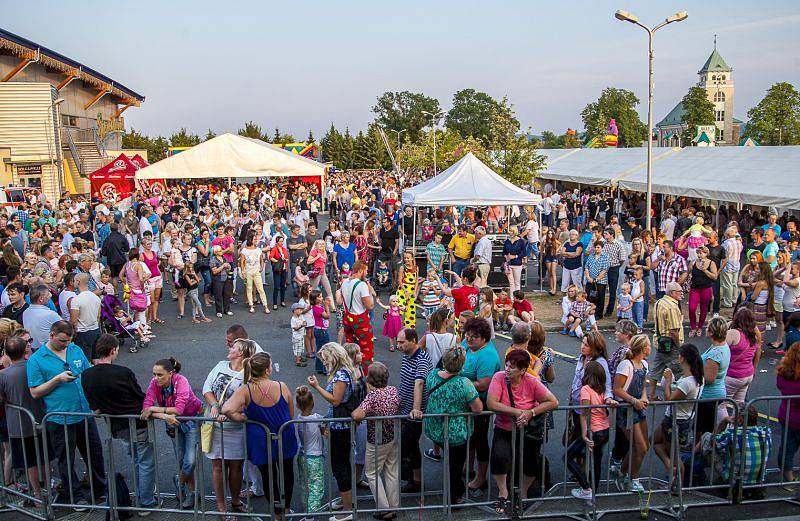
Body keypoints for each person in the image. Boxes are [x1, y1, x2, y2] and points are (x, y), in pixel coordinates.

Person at [27, 321, 106, 507]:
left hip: (84, 413)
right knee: (66, 460)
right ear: (52, 335)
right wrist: (57, 379)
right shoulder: (36, 359)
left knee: (94, 454)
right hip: (60, 418)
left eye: (69, 340)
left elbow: (87, 374)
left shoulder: (75, 349)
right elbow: (35, 392)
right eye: (62, 341)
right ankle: (75, 495)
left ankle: (100, 489)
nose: (66, 344)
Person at [80, 334, 156, 511]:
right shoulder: (123, 372)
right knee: (144, 461)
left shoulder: (86, 375)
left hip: (116, 425)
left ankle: (142, 497)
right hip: (137, 422)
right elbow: (138, 395)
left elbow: (95, 407)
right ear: (113, 350)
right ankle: (145, 502)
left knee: (135, 457)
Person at [222, 352, 297, 520]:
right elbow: (291, 414)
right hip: (284, 436)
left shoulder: (245, 390)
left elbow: (226, 409)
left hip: (261, 440)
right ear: (268, 370)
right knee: (287, 473)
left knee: (268, 476)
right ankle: (286, 510)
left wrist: (241, 417)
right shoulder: (282, 386)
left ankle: (276, 514)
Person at [487, 349, 558, 514]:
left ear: (523, 370)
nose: (507, 369)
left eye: (512, 367)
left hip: (528, 431)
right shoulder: (499, 377)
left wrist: (531, 413)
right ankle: (503, 492)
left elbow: (553, 401)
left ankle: (523, 493)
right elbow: (491, 403)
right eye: (507, 365)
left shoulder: (532, 381)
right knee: (499, 456)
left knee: (530, 462)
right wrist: (518, 412)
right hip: (504, 427)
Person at [306, 342, 364, 521]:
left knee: (339, 466)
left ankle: (347, 509)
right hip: (343, 424)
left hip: (340, 426)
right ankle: (347, 501)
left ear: (333, 357)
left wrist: (317, 387)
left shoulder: (341, 374)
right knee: (343, 464)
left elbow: (336, 400)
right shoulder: (351, 370)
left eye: (325, 359)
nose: (324, 363)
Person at [202, 338, 257, 517]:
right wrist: (216, 406)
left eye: (233, 346)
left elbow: (250, 399)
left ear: (241, 353)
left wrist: (230, 412)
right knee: (217, 466)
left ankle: (235, 500)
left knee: (236, 467)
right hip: (215, 425)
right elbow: (207, 388)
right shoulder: (220, 365)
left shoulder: (249, 374)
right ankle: (221, 506)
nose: (229, 347)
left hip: (235, 427)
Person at [141, 357, 203, 510]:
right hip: (173, 424)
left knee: (190, 460)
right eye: (154, 374)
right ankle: (192, 493)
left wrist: (156, 410)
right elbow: (145, 409)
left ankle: (179, 481)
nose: (156, 378)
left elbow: (178, 410)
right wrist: (164, 416)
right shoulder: (154, 383)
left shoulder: (181, 381)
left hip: (191, 420)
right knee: (182, 460)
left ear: (170, 373)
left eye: (160, 375)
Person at [424, 345, 482, 502]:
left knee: (451, 462)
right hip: (456, 433)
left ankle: (454, 492)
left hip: (435, 428)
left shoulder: (432, 375)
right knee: (456, 467)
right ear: (462, 365)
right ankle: (455, 496)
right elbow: (478, 408)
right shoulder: (464, 383)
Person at [0, 335, 47, 502]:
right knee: (42, 457)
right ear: (25, 349)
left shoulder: (3, 375)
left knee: (31, 462)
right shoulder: (34, 367)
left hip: (19, 425)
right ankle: (44, 488)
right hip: (40, 419)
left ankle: (37, 494)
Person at [351, 361, 400, 519]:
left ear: (370, 379)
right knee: (391, 471)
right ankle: (393, 506)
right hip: (392, 435)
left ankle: (384, 508)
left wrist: (354, 413)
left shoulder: (372, 396)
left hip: (377, 439)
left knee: (371, 472)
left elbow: (358, 414)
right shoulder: (393, 390)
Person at [460, 317, 501, 496]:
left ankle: (481, 476)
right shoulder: (468, 345)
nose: (469, 339)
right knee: (468, 435)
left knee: (479, 438)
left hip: (481, 402)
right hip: (466, 400)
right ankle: (467, 466)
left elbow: (484, 384)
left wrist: (459, 382)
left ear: (484, 338)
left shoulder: (488, 355)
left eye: (474, 337)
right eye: (467, 335)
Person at [653, 343, 703, 489]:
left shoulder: (688, 382)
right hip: (676, 418)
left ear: (682, 358)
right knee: (654, 440)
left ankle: (677, 485)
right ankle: (671, 468)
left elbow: (670, 398)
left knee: (674, 454)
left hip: (677, 421)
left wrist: (668, 380)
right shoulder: (692, 378)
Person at [613, 335, 651, 493]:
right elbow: (617, 389)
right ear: (643, 348)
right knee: (640, 446)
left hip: (637, 407)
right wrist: (633, 400)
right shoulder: (625, 365)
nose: (651, 348)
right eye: (649, 345)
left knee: (643, 446)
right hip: (626, 409)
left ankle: (622, 473)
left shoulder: (644, 364)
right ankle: (633, 478)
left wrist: (643, 397)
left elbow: (642, 386)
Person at [567, 360, 610, 501]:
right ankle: (593, 495)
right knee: (596, 462)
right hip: (605, 430)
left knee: (567, 457)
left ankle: (585, 488)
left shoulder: (585, 389)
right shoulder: (602, 389)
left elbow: (584, 413)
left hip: (594, 430)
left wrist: (584, 434)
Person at [397, 328, 432, 493]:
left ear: (413, 341)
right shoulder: (406, 356)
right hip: (405, 408)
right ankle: (414, 479)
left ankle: (414, 480)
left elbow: (419, 383)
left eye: (402, 342)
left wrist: (416, 410)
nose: (399, 346)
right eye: (398, 342)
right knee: (411, 445)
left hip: (414, 412)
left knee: (408, 443)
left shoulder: (422, 360)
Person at [648, 282, 685, 397]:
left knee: (657, 368)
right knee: (680, 370)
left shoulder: (659, 302)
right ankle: (677, 396)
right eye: (679, 292)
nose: (681, 294)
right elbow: (674, 331)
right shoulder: (672, 307)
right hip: (671, 344)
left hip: (661, 341)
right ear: (672, 292)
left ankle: (652, 394)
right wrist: (680, 346)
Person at [696, 317, 732, 436]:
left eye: (708, 327)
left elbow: (710, 379)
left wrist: (692, 376)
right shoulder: (722, 346)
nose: (706, 328)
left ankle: (699, 451)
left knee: (703, 429)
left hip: (709, 396)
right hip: (716, 391)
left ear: (712, 332)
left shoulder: (715, 353)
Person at [294, 385, 325, 517]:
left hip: (302, 455)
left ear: (297, 405)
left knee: (305, 484)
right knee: (317, 487)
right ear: (313, 402)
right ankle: (311, 514)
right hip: (315, 457)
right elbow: (325, 432)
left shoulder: (298, 419)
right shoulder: (318, 418)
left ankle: (306, 507)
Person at [338, 260, 375, 370]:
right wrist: (370, 291)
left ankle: (350, 370)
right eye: (366, 271)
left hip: (347, 317)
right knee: (366, 348)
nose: (367, 273)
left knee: (351, 347)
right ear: (360, 271)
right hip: (360, 319)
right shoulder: (362, 285)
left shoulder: (344, 283)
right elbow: (370, 306)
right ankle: (366, 374)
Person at [725, 308, 762, 409]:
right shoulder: (753, 336)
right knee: (739, 405)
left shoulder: (733, 333)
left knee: (723, 405)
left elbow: (719, 347)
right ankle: (737, 423)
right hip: (747, 374)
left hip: (733, 375)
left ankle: (723, 424)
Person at [776, 341, 800, 483]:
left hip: (787, 416)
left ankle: (788, 478)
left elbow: (780, 386)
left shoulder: (783, 373)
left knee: (787, 449)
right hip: (792, 417)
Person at [687, 246, 718, 337]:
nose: (700, 255)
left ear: (706, 253)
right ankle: (693, 327)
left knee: (704, 309)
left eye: (702, 253)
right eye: (699, 253)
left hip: (706, 288)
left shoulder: (711, 263)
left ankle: (700, 327)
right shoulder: (694, 262)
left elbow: (715, 277)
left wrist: (704, 270)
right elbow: (688, 272)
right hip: (695, 288)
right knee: (692, 308)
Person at [22, 284, 60, 349]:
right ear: (41, 299)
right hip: (47, 352)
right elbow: (65, 329)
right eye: (48, 294)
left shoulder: (25, 312)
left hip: (32, 349)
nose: (50, 296)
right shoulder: (50, 314)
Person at [240, 232, 270, 315]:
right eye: (255, 239)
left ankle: (265, 306)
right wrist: (243, 271)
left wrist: (262, 267)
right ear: (250, 240)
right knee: (249, 288)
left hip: (256, 272)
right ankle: (251, 305)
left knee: (261, 289)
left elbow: (261, 259)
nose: (256, 240)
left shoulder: (258, 249)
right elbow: (242, 261)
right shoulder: (244, 250)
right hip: (248, 272)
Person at [584, 241, 609, 319]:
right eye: (595, 247)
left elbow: (604, 270)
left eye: (598, 247)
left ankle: (598, 314)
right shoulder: (591, 256)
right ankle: (588, 312)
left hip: (601, 281)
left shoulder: (605, 256)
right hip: (590, 280)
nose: (596, 249)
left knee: (600, 298)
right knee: (589, 297)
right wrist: (588, 277)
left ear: (602, 248)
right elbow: (586, 266)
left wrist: (596, 279)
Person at [210, 245, 234, 317]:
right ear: (216, 252)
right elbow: (214, 271)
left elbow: (228, 267)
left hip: (226, 278)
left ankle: (227, 310)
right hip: (217, 279)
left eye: (221, 250)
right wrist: (223, 266)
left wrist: (228, 266)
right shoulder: (213, 259)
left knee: (227, 294)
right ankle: (219, 311)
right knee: (218, 295)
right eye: (220, 250)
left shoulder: (224, 257)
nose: (222, 251)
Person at [269, 236, 289, 310]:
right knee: (277, 286)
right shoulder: (274, 249)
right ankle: (275, 303)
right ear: (277, 242)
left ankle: (282, 300)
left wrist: (285, 259)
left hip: (283, 268)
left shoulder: (284, 249)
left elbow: (287, 257)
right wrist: (278, 261)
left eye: (282, 241)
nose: (281, 243)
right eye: (280, 241)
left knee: (283, 286)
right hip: (277, 269)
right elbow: (270, 257)